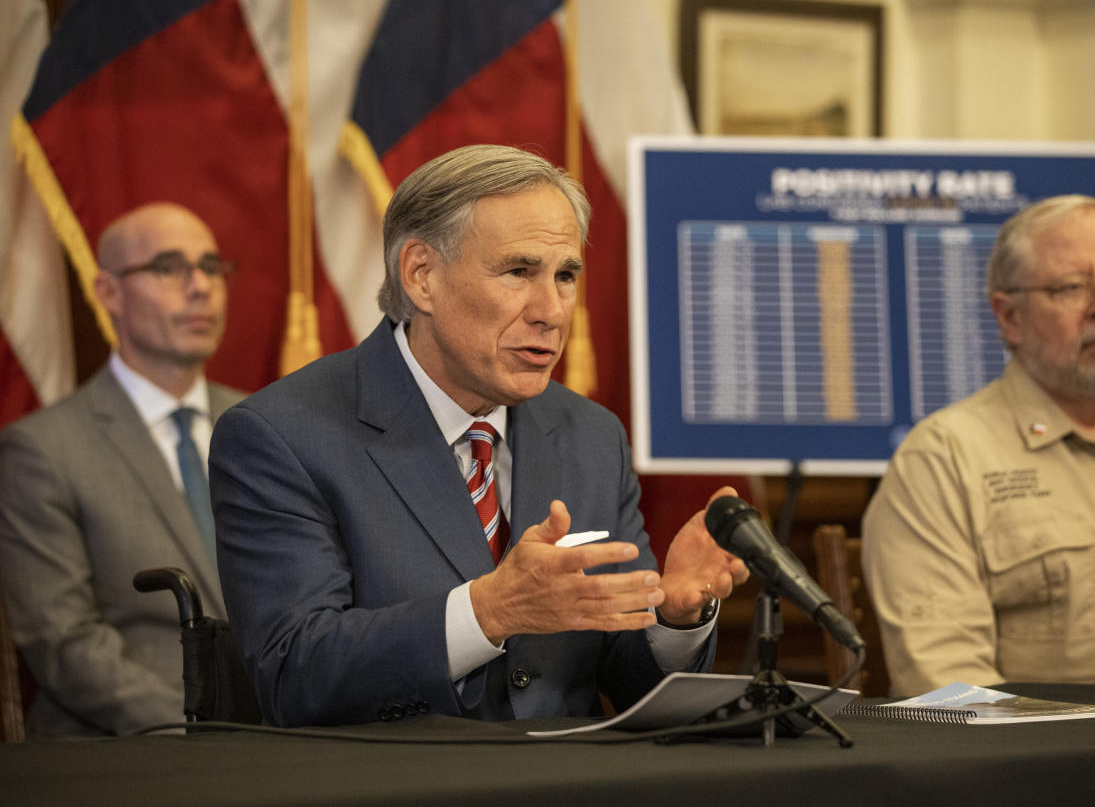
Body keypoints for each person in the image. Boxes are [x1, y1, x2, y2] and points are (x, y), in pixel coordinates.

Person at [209, 145, 748, 727]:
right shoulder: (281, 436)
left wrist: (675, 619)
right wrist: (489, 611)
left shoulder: (591, 435)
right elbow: (293, 676)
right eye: (519, 272)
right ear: (421, 275)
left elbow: (629, 682)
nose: (552, 311)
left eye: (565, 275)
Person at [862, 194, 1095, 696]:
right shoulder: (943, 463)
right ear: (1009, 317)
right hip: (1058, 768)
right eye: (1071, 287)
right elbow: (951, 691)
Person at [0, 202, 240, 735]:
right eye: (169, 268)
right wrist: (204, 733)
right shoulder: (43, 449)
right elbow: (64, 641)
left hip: (293, 740)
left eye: (211, 267)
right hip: (135, 752)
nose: (199, 286)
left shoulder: (267, 422)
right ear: (107, 292)